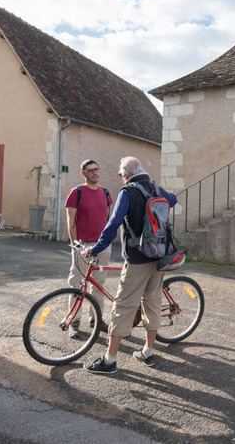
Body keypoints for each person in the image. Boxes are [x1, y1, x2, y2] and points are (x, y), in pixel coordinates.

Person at [81, 156, 177, 375]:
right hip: (159, 256)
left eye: (121, 175)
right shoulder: (156, 188)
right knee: (152, 302)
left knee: (123, 306)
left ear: (125, 175)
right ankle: (147, 351)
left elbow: (113, 223)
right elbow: (173, 200)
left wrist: (96, 248)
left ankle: (109, 360)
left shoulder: (128, 192)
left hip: (137, 258)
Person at [65, 159, 113, 337]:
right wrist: (75, 245)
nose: (94, 173)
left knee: (99, 285)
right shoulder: (76, 192)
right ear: (83, 174)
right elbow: (71, 221)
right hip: (83, 245)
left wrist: (106, 241)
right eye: (90, 170)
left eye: (96, 169)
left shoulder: (105, 193)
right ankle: (73, 321)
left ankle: (96, 320)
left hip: (102, 246)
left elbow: (107, 220)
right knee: (77, 284)